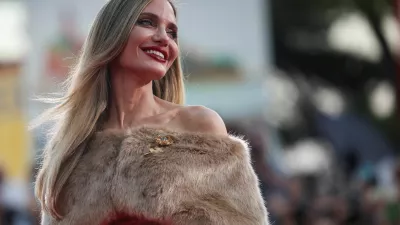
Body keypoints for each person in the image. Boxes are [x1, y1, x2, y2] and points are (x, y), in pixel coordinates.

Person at [32, 0, 270, 224]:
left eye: (172, 32)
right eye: (147, 22)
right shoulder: (71, 148)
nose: (164, 38)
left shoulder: (199, 125)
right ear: (114, 31)